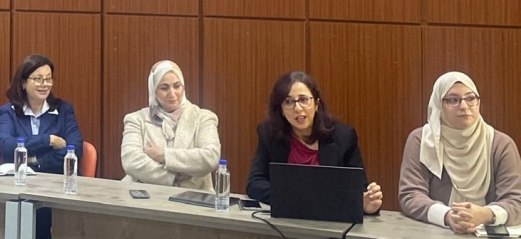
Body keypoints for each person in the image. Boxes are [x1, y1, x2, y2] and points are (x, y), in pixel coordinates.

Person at [399, 71, 521, 233]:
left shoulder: (501, 144)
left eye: (470, 98)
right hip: (436, 232)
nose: (464, 106)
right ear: (438, 104)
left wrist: (485, 214)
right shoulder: (421, 140)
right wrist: (448, 216)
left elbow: (516, 201)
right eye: (453, 100)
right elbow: (410, 195)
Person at [246, 71, 383, 213]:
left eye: (303, 100)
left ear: (316, 104)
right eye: (288, 102)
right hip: (285, 219)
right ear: (281, 110)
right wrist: (299, 198)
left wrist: (366, 205)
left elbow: (358, 189)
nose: (297, 108)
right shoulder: (269, 135)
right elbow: (255, 183)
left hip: (330, 220)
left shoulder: (343, 137)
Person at [121, 60, 220, 190]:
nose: (172, 94)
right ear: (153, 90)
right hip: (145, 195)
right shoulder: (136, 120)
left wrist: (164, 155)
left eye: (177, 86)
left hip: (194, 196)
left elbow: (210, 158)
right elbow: (131, 162)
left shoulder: (204, 118)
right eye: (164, 88)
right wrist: (176, 177)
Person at [0, 54, 83, 174]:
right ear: (23, 83)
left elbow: (75, 149)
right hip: (19, 179)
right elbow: (5, 146)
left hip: (57, 179)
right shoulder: (8, 112)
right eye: (38, 79)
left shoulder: (64, 110)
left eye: (48, 79)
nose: (45, 84)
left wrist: (35, 162)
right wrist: (47, 140)